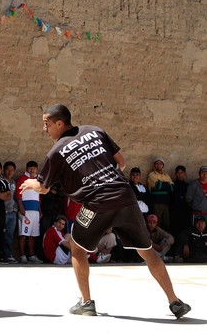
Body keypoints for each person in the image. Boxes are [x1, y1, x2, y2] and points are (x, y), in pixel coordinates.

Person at [19, 103, 190, 319]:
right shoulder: (95, 130)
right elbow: (122, 162)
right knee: (147, 251)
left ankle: (86, 303)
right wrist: (108, 180)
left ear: (59, 123)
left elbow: (43, 188)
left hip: (96, 203)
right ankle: (175, 302)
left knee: (77, 246)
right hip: (126, 197)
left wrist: (32, 183)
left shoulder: (56, 152)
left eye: (47, 124)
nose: (45, 129)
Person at [15, 161, 43, 264]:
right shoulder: (22, 179)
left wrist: (39, 210)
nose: (32, 170)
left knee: (32, 234)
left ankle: (31, 255)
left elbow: (39, 196)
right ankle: (22, 255)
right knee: (23, 234)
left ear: (37, 169)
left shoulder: (38, 180)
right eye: (30, 168)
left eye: (34, 168)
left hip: (35, 211)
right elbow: (18, 195)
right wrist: (21, 207)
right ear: (27, 168)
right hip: (25, 211)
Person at [147, 157, 174, 231]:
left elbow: (172, 188)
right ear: (154, 165)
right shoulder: (151, 175)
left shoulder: (166, 175)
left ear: (163, 165)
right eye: (157, 163)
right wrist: (166, 184)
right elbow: (157, 186)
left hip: (165, 203)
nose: (158, 165)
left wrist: (162, 184)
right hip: (156, 203)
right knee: (156, 223)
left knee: (166, 223)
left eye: (160, 164)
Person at [1, 161, 19, 263]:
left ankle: (8, 255)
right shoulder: (0, 181)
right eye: (8, 169)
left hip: (12, 212)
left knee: (9, 235)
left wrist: (16, 209)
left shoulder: (13, 183)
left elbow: (16, 197)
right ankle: (1, 255)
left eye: (12, 170)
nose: (9, 172)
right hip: (3, 212)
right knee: (1, 234)